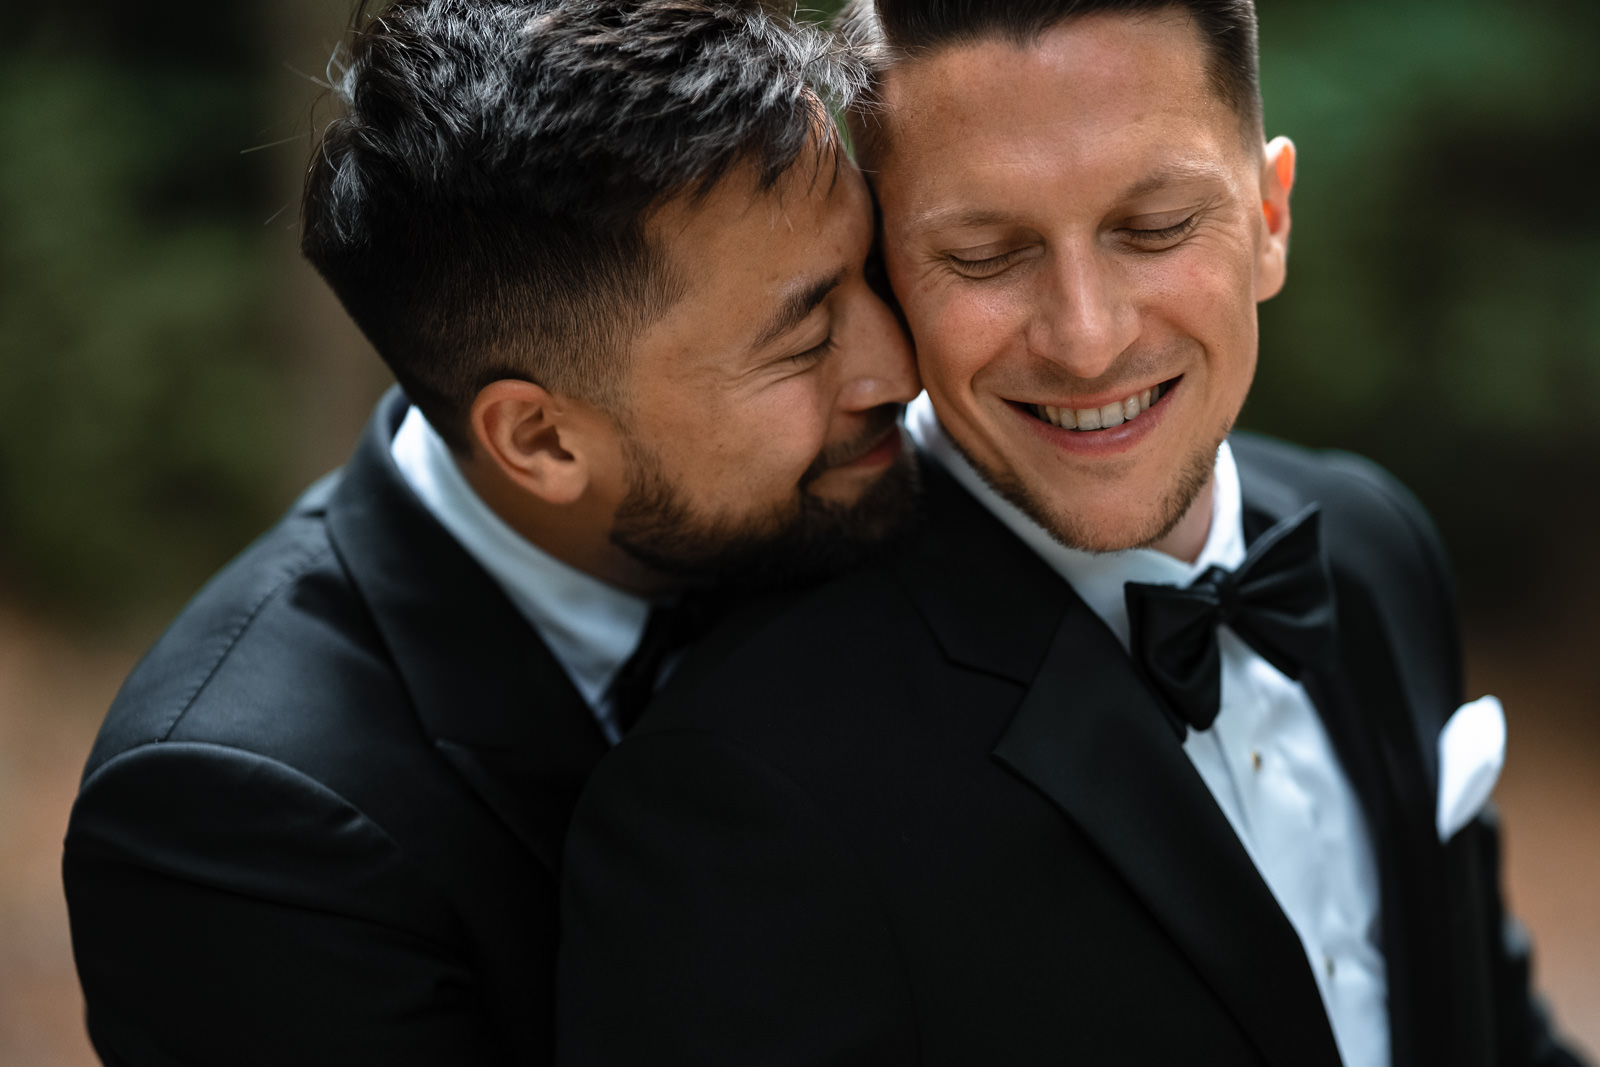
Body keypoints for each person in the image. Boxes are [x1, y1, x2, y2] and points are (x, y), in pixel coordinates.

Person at [555, 2, 1585, 1065]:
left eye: (1153, 228)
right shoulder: (738, 791)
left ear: (1270, 217)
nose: (1087, 341)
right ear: (887, 279)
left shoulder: (1373, 541)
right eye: (986, 254)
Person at [61, 1, 916, 1063]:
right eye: (807, 340)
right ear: (541, 439)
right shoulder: (236, 814)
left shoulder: (898, 498)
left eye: (873, 268)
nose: (901, 370)